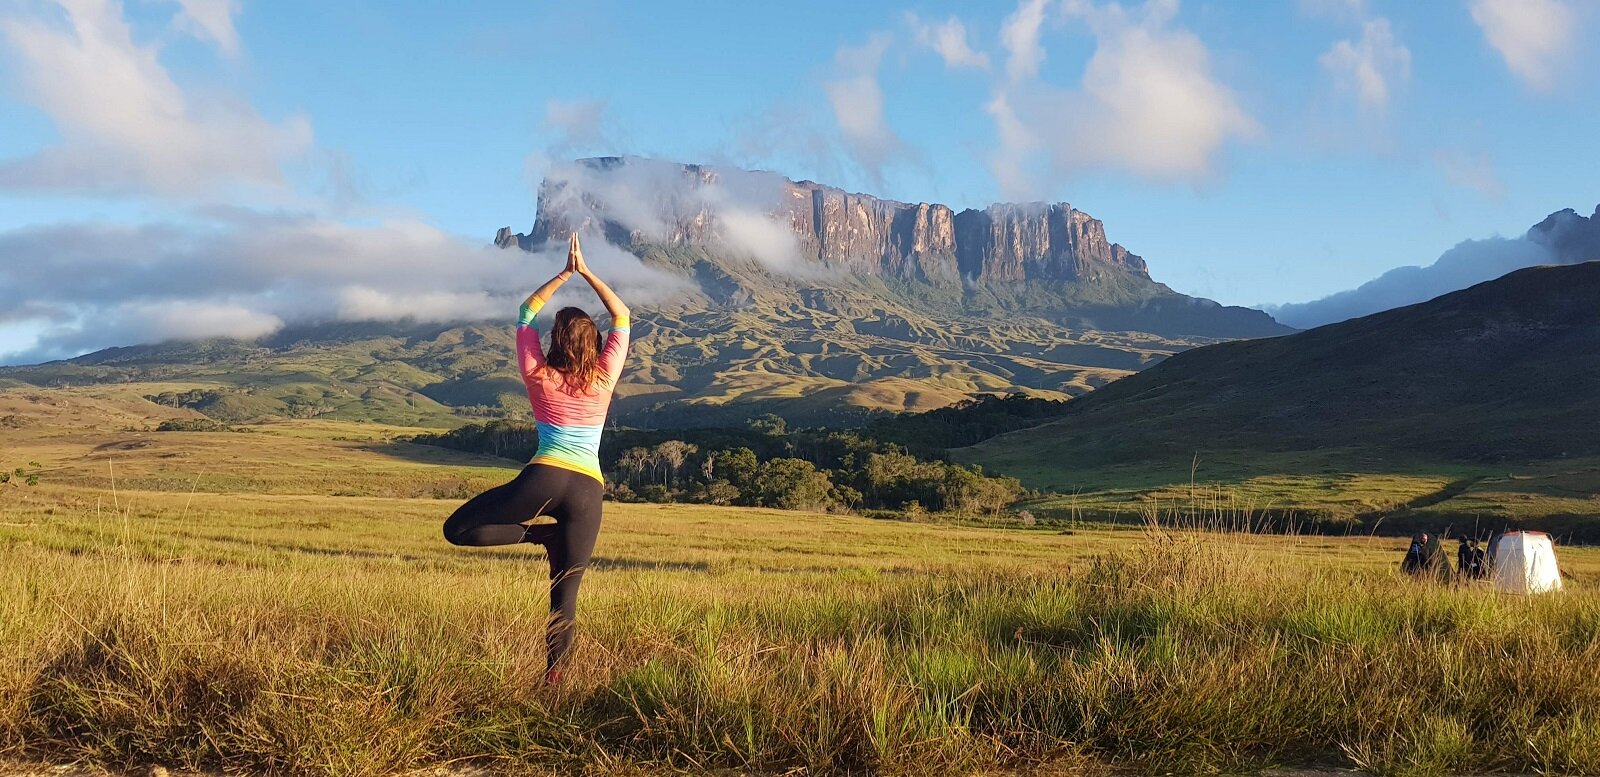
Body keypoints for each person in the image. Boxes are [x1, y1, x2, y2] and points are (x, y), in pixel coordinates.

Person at [443, 232, 631, 685]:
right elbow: (622, 315)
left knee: (457, 530)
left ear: (556, 341)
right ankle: (554, 681)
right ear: (593, 345)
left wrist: (565, 273)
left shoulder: (538, 375)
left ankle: (537, 538)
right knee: (565, 594)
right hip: (588, 490)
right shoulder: (604, 378)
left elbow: (526, 311)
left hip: (543, 478)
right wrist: (587, 273)